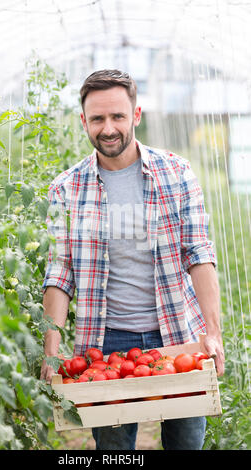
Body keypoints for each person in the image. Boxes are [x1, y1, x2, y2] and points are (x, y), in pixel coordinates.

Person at [40, 69, 225, 450]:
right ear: (84, 121)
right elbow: (60, 272)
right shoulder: (66, 189)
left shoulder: (175, 173)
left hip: (177, 333)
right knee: (113, 451)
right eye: (98, 118)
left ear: (135, 115)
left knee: (186, 442)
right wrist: (52, 350)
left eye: (117, 116)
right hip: (104, 343)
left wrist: (213, 331)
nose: (108, 128)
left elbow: (199, 252)